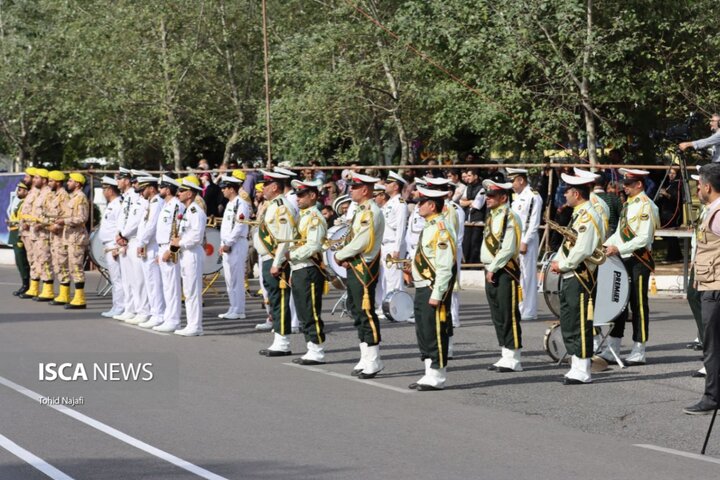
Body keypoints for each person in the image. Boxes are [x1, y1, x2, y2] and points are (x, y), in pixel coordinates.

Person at [550, 173, 605, 384]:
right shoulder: (578, 214)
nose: (564, 194)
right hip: (571, 272)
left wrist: (563, 264)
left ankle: (583, 368)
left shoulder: (588, 216)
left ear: (576, 193)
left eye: (567, 190)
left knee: (580, 320)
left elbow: (582, 248)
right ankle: (576, 365)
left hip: (581, 274)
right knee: (569, 318)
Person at [601, 169, 660, 365]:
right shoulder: (628, 205)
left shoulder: (646, 206)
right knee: (618, 302)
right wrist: (604, 245)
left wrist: (619, 248)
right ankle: (613, 347)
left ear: (639, 185)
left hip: (638, 260)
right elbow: (619, 232)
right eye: (624, 183)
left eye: (628, 183)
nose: (624, 187)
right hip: (623, 258)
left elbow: (644, 238)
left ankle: (639, 349)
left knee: (638, 304)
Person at [334, 173, 386, 379]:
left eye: (354, 188)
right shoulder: (361, 210)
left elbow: (362, 241)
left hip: (365, 266)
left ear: (365, 190)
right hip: (355, 264)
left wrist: (340, 254)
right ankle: (365, 356)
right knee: (356, 310)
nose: (350, 191)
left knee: (366, 312)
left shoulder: (370, 212)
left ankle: (374, 359)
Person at [406, 186, 457, 390]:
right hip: (422, 285)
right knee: (424, 330)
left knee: (435, 330)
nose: (418, 206)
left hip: (432, 286)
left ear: (431, 205)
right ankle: (428, 372)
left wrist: (437, 293)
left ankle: (437, 374)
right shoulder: (429, 225)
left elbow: (445, 266)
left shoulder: (441, 229)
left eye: (421, 202)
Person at [684, 163, 720, 414]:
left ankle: (713, 397)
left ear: (708, 186)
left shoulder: (718, 214)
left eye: (699, 185)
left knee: (712, 346)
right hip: (710, 284)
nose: (697, 189)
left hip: (716, 288)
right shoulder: (712, 210)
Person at [481, 179, 524, 372]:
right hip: (491, 269)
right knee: (497, 313)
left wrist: (493, 267)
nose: (487, 199)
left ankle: (514, 356)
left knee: (508, 313)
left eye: (491, 196)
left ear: (503, 197)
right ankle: (505, 353)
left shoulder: (510, 216)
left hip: (504, 270)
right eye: (487, 195)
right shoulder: (493, 216)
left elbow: (507, 248)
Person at [254, 170, 298, 355]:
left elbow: (286, 238)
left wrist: (278, 262)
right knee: (275, 299)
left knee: (280, 300)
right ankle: (279, 339)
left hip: (275, 259)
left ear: (274, 186)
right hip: (268, 258)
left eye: (266, 184)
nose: (262, 188)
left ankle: (283, 341)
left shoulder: (281, 206)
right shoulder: (273, 205)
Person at [288, 179, 328, 365]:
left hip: (309, 267)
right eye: (297, 194)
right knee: (303, 310)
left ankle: (317, 348)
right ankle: (310, 346)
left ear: (313, 196)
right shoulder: (303, 216)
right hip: (299, 267)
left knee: (310, 309)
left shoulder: (314, 218)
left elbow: (313, 245)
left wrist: (292, 255)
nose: (298, 198)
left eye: (302, 194)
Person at [170, 176, 207, 336]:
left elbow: (197, 236)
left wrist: (180, 242)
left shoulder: (195, 211)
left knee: (192, 290)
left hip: (192, 252)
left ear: (190, 193)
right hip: (186, 253)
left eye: (182, 190)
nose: (179, 193)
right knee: (188, 290)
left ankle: (196, 326)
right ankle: (191, 324)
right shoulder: (187, 210)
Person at [114, 170, 151, 323]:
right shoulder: (129, 198)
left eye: (138, 182)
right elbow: (123, 218)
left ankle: (142, 310)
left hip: (134, 239)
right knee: (129, 280)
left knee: (139, 280)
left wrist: (123, 235)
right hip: (127, 239)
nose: (137, 185)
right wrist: (120, 234)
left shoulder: (140, 200)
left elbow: (136, 221)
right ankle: (131, 308)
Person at [507, 167, 543, 321]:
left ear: (521, 180)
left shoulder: (532, 196)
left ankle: (529, 310)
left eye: (513, 181)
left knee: (527, 275)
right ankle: (520, 306)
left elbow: (532, 223)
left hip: (526, 240)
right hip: (515, 239)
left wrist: (525, 241)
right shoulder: (518, 196)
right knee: (519, 275)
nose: (512, 185)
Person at [153, 175, 186, 333]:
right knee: (166, 286)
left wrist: (169, 250)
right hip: (162, 246)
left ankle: (174, 320)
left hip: (170, 247)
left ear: (167, 189)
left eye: (161, 187)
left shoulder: (176, 206)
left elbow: (179, 230)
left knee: (172, 286)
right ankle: (168, 317)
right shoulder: (166, 205)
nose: (159, 190)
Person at [218, 170, 252, 320]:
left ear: (231, 188)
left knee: (237, 278)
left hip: (236, 244)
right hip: (227, 244)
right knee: (229, 278)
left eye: (225, 187)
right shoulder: (230, 204)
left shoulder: (241, 203)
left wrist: (229, 242)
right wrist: (223, 243)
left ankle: (239, 309)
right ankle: (233, 306)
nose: (223, 190)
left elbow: (239, 226)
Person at [377, 171, 408, 318]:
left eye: (388, 183)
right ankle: (388, 307)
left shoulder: (400, 204)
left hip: (393, 245)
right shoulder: (389, 203)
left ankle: (397, 310)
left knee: (395, 279)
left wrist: (396, 249)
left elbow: (401, 228)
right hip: (385, 244)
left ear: (395, 186)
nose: (385, 185)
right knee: (387, 278)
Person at [134, 176, 165, 326]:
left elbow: (151, 226)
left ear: (151, 189)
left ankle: (158, 314)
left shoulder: (157, 203)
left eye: (143, 189)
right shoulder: (151, 203)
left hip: (152, 246)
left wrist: (142, 242)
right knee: (150, 282)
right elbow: (144, 224)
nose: (141, 192)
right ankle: (155, 312)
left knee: (154, 283)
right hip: (147, 246)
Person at [58, 173, 90, 309]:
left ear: (77, 184)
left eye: (70, 181)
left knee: (76, 267)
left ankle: (80, 298)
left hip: (77, 237)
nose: (68, 182)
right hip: (69, 237)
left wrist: (64, 221)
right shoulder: (72, 197)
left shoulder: (81, 198)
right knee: (70, 267)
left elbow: (82, 218)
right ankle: (70, 296)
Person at [98, 176, 125, 318]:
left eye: (104, 188)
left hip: (114, 245)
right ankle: (117, 305)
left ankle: (120, 306)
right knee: (115, 278)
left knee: (117, 278)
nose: (103, 191)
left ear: (110, 190)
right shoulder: (112, 204)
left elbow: (119, 227)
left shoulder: (118, 204)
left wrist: (116, 246)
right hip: (109, 244)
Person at [28, 168, 54, 301]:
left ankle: (48, 290)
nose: (34, 180)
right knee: (36, 260)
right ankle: (35, 287)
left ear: (44, 180)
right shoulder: (38, 193)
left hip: (44, 233)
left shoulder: (48, 194)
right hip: (35, 233)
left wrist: (42, 224)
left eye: (37, 178)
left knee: (45, 261)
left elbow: (53, 215)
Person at [45, 171, 70, 305]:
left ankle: (65, 294)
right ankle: (62, 293)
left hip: (61, 236)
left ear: (58, 182)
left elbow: (66, 217)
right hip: (54, 236)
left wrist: (56, 227)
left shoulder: (63, 196)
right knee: (57, 264)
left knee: (62, 264)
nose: (49, 183)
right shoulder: (55, 195)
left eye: (51, 181)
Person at [17, 167, 39, 298]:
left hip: (35, 232)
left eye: (27, 176)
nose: (25, 179)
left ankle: (36, 288)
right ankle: (32, 288)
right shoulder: (31, 193)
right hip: (27, 232)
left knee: (38, 261)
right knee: (31, 260)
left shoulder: (36, 193)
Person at [657, 166, 684, 262]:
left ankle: (673, 256)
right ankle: (677, 255)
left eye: (673, 173)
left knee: (671, 235)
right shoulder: (670, 184)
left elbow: (676, 199)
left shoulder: (678, 185)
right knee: (670, 236)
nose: (670, 175)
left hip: (672, 214)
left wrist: (666, 194)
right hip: (666, 213)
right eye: (669, 173)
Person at [8, 180, 30, 296]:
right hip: (14, 233)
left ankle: (26, 285)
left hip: (20, 233)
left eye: (20, 190)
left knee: (22, 261)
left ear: (26, 191)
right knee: (19, 261)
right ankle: (25, 284)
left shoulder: (26, 203)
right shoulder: (21, 202)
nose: (18, 192)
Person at [460, 168, 485, 265]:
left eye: (470, 175)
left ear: (476, 176)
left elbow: (476, 205)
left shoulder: (481, 189)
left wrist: (469, 202)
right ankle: (466, 264)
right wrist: (470, 201)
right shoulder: (468, 187)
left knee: (475, 244)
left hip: (477, 221)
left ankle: (474, 265)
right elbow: (461, 202)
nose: (467, 178)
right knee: (466, 243)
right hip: (467, 220)